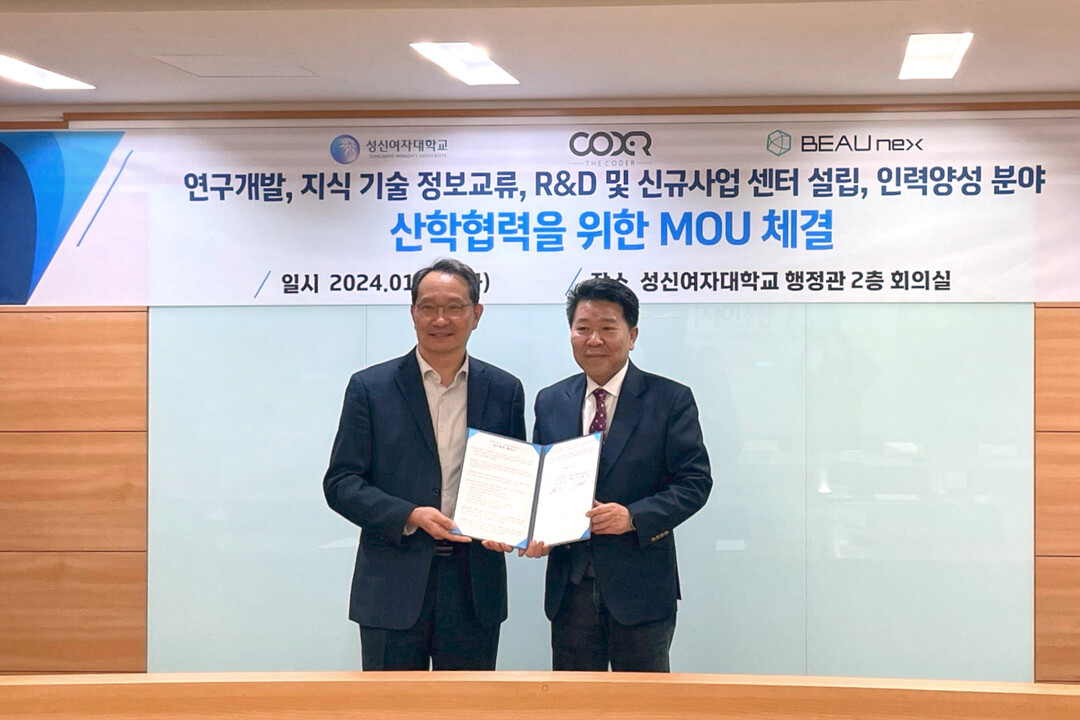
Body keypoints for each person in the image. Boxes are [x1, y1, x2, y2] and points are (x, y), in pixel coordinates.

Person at [323, 258, 526, 671]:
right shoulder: (371, 388)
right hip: (391, 584)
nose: (441, 319)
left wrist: (514, 523)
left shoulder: (504, 390)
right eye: (428, 307)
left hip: (474, 586)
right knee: (391, 704)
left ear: (476, 314)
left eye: (454, 307)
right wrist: (409, 515)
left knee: (468, 704)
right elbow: (341, 482)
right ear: (413, 313)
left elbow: (514, 478)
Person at [528, 276, 712, 672]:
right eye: (583, 328)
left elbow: (694, 482)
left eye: (607, 328)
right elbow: (540, 484)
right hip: (570, 588)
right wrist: (531, 529)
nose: (593, 339)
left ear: (632, 336)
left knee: (644, 702)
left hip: (641, 587)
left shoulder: (670, 399)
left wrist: (633, 517)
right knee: (575, 701)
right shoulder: (550, 400)